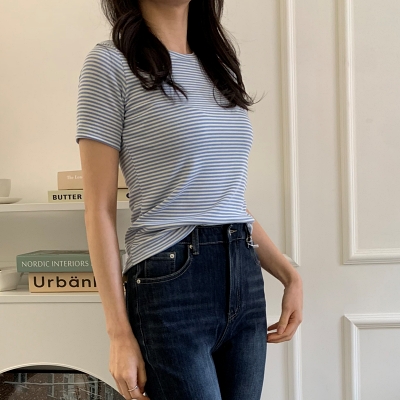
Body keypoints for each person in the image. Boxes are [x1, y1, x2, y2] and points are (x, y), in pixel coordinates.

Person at [76, 0, 303, 399]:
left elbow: (227, 201)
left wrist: (289, 274)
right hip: (171, 280)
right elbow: (98, 210)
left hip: (245, 277)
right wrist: (119, 333)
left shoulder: (219, 68)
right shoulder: (110, 64)